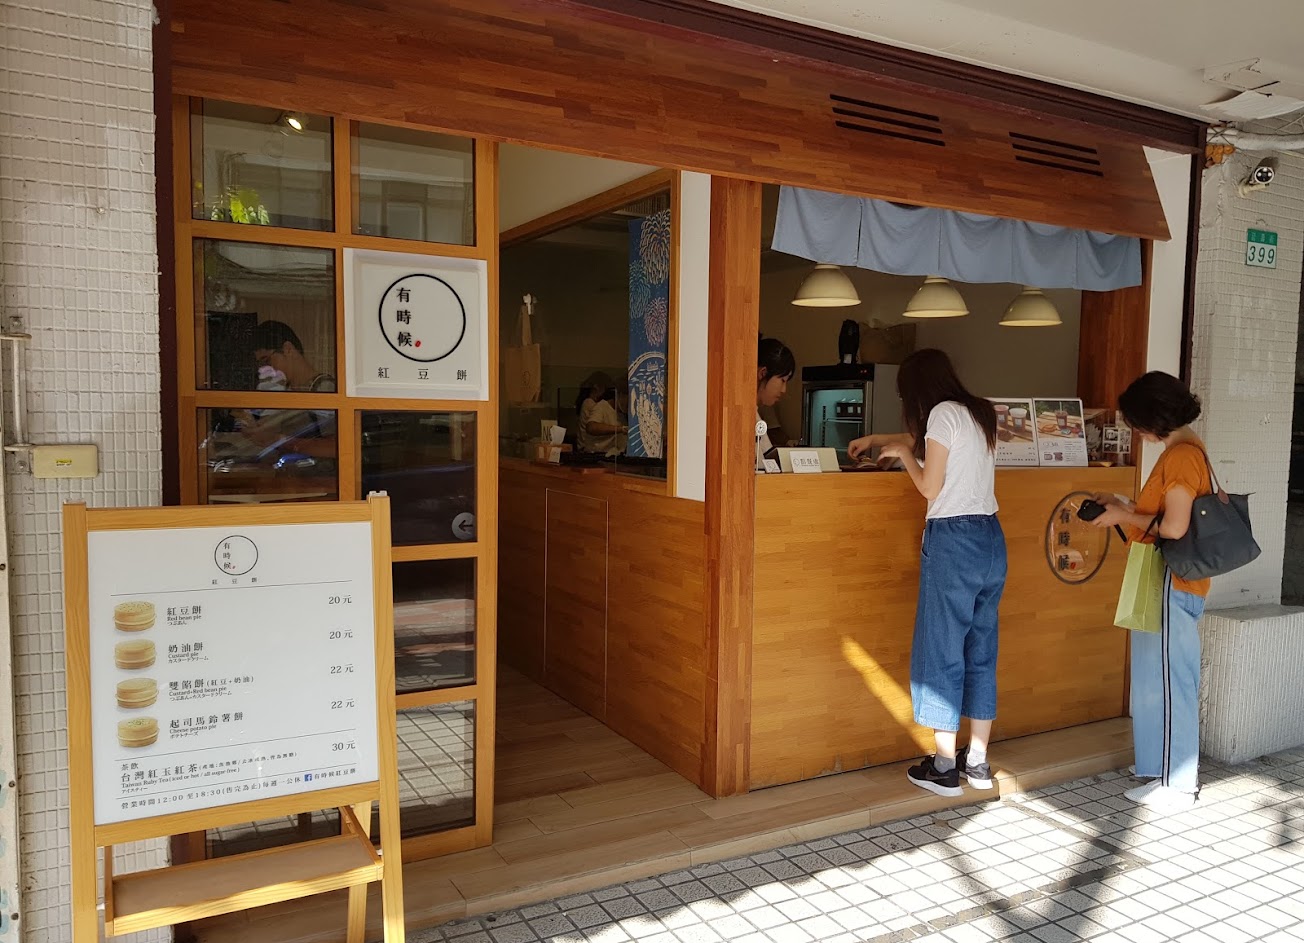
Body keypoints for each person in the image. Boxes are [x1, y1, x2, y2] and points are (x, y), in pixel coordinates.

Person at [848, 349, 1005, 797]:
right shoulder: (979, 412)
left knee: (942, 650)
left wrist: (901, 454)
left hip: (953, 540)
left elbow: (929, 487)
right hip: (991, 539)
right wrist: (886, 440)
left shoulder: (940, 415)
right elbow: (935, 442)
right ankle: (977, 763)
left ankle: (943, 767)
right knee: (981, 649)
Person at [1087, 372, 1210, 813]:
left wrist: (1123, 516)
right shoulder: (1186, 450)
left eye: (1137, 424)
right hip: (1167, 579)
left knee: (1171, 680)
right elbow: (1165, 515)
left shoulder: (1181, 457)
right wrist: (1123, 505)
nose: (1136, 433)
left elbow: (1173, 527)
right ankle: (1162, 770)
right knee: (1158, 678)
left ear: (1154, 417)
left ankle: (1178, 784)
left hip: (1171, 580)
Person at [756, 337, 795, 464]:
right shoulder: (744, 415)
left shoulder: (755, 413)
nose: (784, 390)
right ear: (763, 373)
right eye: (782, 380)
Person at [576, 371, 627, 455]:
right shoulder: (599, 406)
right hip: (596, 454)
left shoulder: (622, 414)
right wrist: (621, 429)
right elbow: (591, 427)